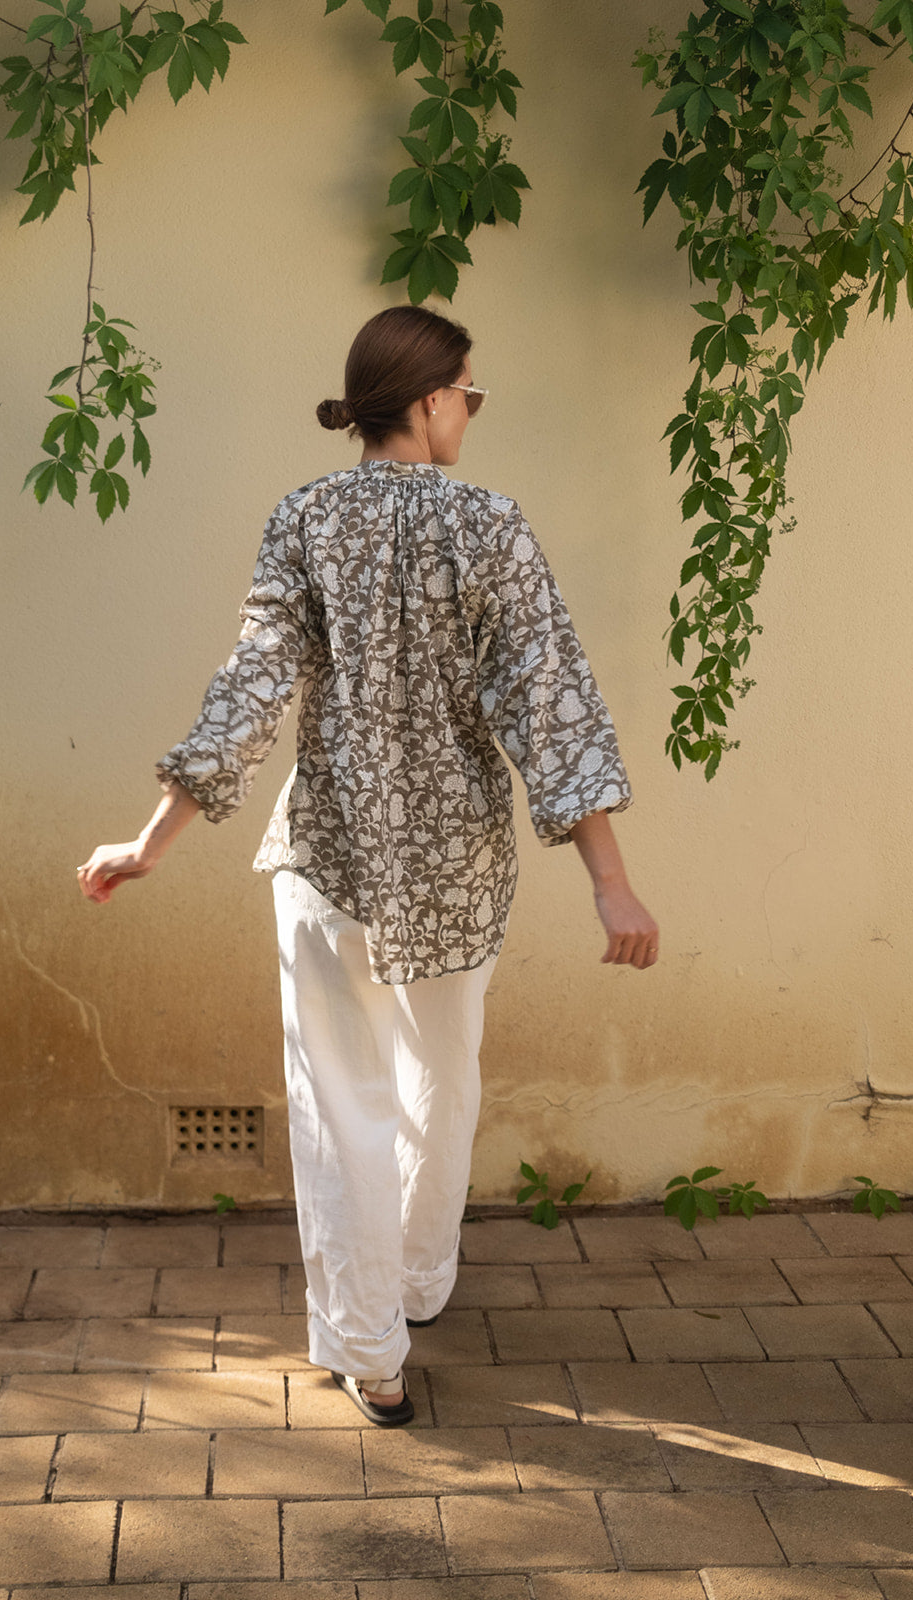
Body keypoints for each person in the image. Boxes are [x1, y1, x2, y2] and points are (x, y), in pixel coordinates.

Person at [77, 304, 658, 1428]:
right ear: (430, 401)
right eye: (469, 396)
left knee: (339, 1099)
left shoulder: (304, 517)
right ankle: (418, 1283)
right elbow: (552, 704)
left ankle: (368, 1346)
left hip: (331, 858)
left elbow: (250, 688)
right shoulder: (492, 525)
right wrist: (608, 881)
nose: (472, 415)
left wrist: (150, 840)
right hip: (455, 869)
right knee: (442, 1077)